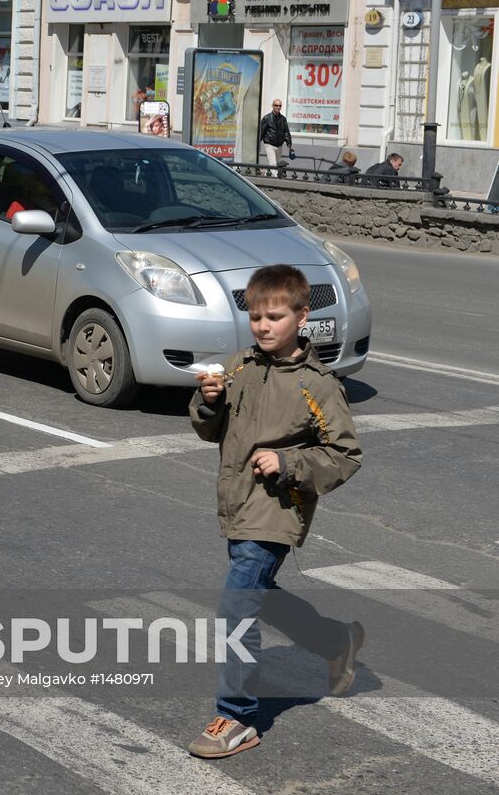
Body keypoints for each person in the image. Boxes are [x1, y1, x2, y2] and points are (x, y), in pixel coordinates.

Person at [186, 265, 364, 760]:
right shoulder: (240, 365)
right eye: (256, 317)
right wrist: (207, 400)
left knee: (236, 607)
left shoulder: (317, 384)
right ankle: (336, 642)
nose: (263, 326)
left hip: (278, 508)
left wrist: (289, 463)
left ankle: (237, 716)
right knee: (257, 596)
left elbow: (345, 454)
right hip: (238, 501)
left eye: (275, 316)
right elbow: (211, 428)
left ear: (302, 317)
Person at [259, 100, 292, 167]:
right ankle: (274, 177)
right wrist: (257, 144)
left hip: (279, 145)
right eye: (276, 105)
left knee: (277, 165)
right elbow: (261, 131)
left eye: (280, 105)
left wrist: (289, 144)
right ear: (272, 106)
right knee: (273, 164)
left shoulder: (283, 119)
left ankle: (269, 175)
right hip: (269, 144)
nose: (278, 107)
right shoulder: (267, 118)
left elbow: (286, 132)